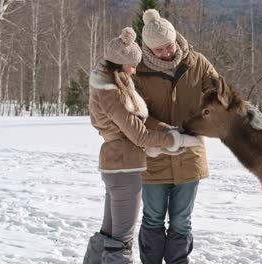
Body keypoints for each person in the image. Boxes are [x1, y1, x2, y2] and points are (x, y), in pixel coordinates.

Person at [83, 27, 200, 264]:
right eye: (132, 65)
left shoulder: (110, 85)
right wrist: (176, 140)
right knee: (122, 239)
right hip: (124, 169)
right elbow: (139, 136)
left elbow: (137, 126)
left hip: (117, 165)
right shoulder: (111, 93)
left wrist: (166, 132)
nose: (135, 70)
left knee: (110, 233)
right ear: (120, 64)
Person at [133, 9, 218, 264]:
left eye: (168, 46)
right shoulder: (138, 71)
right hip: (154, 154)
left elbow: (217, 93)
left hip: (189, 155)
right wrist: (165, 131)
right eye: (159, 50)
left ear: (175, 38)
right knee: (152, 218)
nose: (167, 52)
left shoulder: (197, 62)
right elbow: (136, 113)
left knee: (182, 220)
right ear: (148, 48)